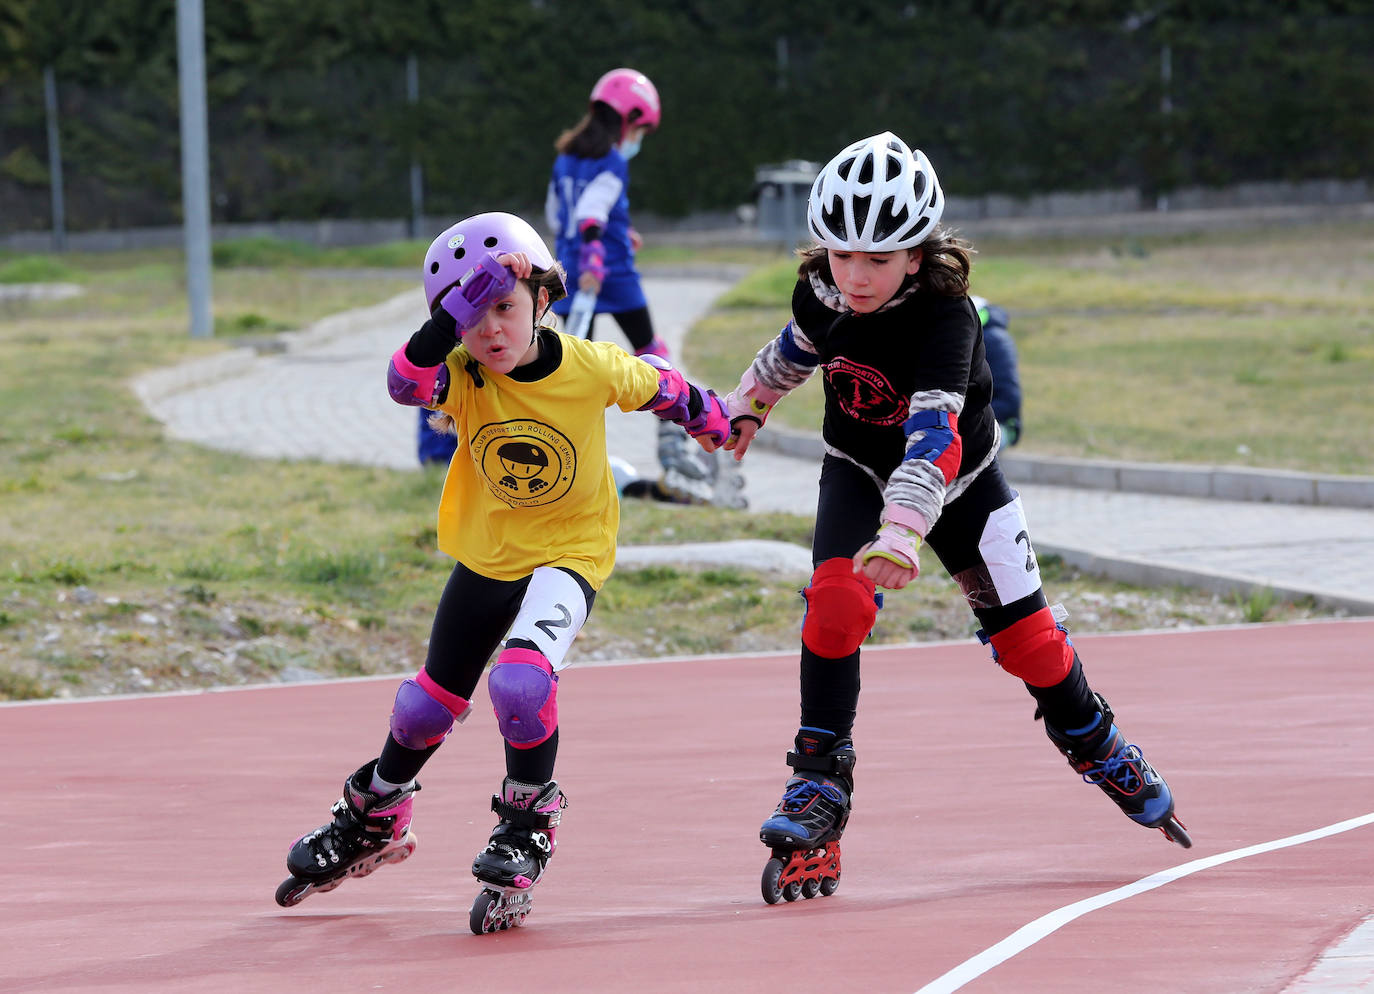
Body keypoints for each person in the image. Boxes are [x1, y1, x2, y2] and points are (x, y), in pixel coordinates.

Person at [709, 133, 1189, 903]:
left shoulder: (948, 320)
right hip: (858, 469)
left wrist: (903, 531)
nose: (856, 277)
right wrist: (750, 405)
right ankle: (818, 784)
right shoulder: (822, 289)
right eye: (841, 255)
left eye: (878, 259)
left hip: (959, 482)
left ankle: (1096, 740)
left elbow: (934, 438)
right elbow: (794, 349)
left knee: (1031, 647)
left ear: (917, 254)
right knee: (835, 607)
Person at [275, 212, 730, 933]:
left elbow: (665, 388)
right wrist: (449, 319)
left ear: (542, 301)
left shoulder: (589, 365)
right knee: (424, 706)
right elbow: (402, 383)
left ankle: (525, 821)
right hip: (488, 553)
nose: (491, 330)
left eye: (506, 307)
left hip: (569, 552)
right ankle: (375, 816)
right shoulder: (460, 373)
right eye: (471, 314)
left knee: (520, 680)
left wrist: (717, 419)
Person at [545, 68, 739, 506]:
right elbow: (591, 216)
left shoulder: (565, 159)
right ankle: (677, 438)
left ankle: (567, 449)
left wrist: (608, 238)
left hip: (573, 271)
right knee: (652, 351)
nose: (639, 138)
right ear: (628, 119)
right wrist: (598, 256)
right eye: (641, 129)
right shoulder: (611, 161)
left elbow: (561, 217)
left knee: (572, 367)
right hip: (608, 274)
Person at [971, 295, 1023, 447]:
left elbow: (1009, 399)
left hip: (1000, 423)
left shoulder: (994, 340)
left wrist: (971, 417)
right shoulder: (979, 338)